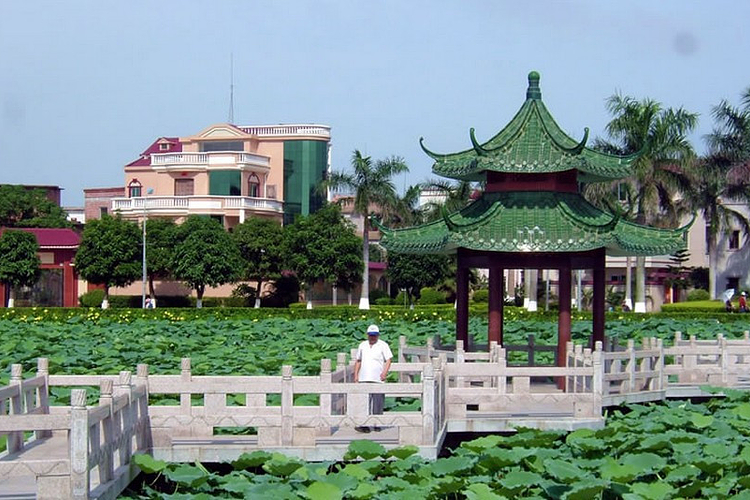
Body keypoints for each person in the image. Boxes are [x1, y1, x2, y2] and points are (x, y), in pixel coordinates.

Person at [353, 324, 392, 432]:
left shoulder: (383, 345)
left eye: (374, 335)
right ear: (367, 335)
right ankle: (363, 424)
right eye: (371, 335)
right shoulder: (362, 345)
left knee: (378, 402)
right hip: (363, 377)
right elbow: (358, 360)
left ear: (378, 335)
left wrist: (384, 372)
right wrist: (356, 375)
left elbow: (388, 360)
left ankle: (376, 423)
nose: (372, 337)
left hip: (377, 378)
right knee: (364, 402)